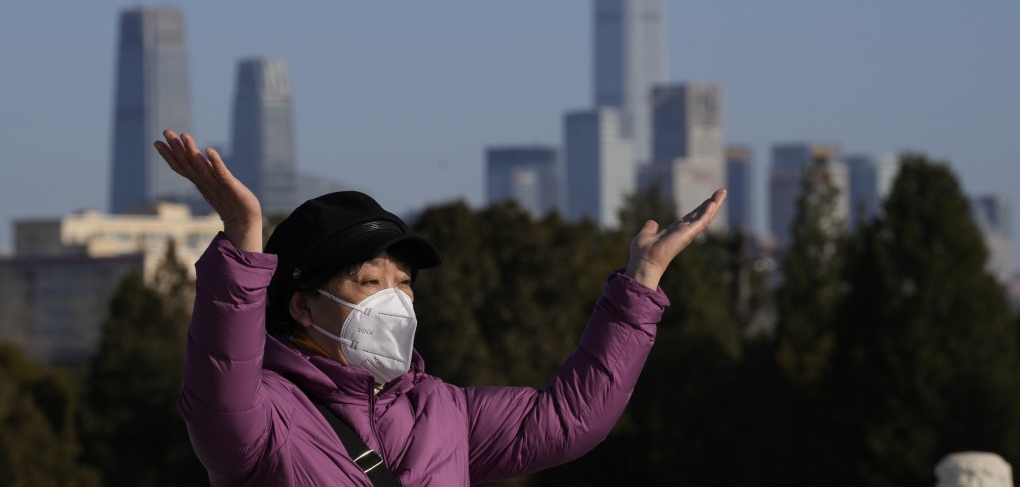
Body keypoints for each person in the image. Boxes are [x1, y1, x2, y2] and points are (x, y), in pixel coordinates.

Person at [154, 129, 726, 486]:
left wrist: (642, 279)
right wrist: (244, 237)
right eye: (369, 280)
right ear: (303, 307)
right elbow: (220, 379)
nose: (394, 299)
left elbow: (572, 419)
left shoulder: (444, 412)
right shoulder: (263, 417)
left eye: (403, 283)